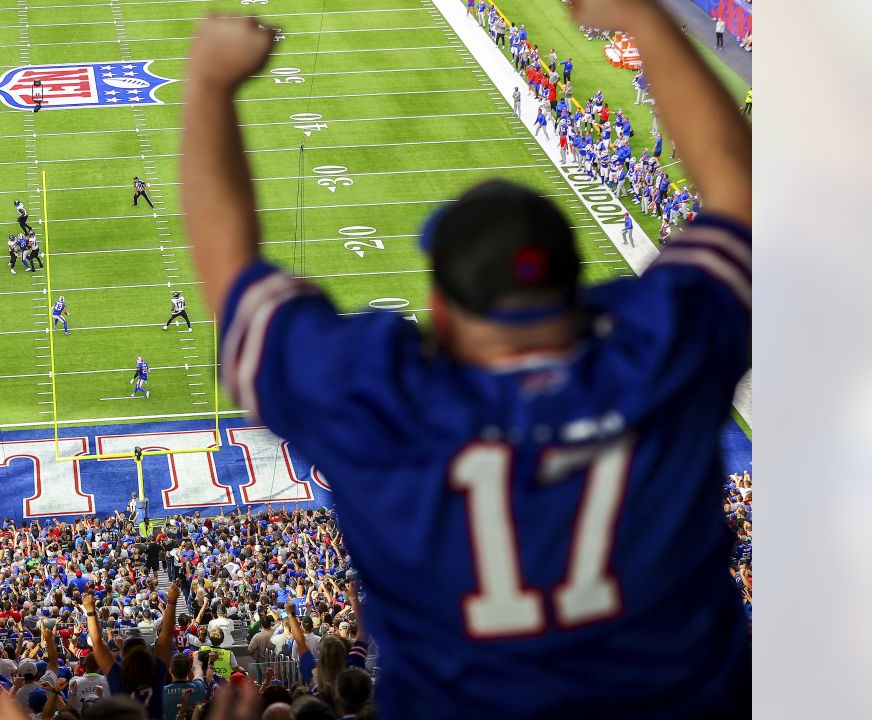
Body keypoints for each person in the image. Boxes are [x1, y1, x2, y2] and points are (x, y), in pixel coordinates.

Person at [179, 3, 750, 716]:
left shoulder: (384, 402)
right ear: (580, 289)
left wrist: (206, 83)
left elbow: (233, 281)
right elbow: (743, 197)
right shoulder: (664, 351)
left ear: (440, 310)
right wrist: (646, 15)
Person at [85, 584, 180, 720]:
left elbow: (97, 642)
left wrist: (90, 611)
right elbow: (165, 637)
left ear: (125, 656)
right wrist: (171, 601)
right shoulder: (156, 671)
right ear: (147, 652)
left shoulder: (118, 676)